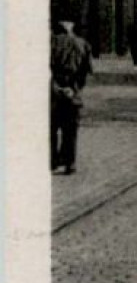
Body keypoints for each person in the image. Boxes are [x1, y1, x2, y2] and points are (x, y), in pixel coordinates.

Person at [50, 19, 93, 174]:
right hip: (73, 89)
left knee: (51, 127)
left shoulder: (50, 43)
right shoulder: (83, 44)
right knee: (71, 128)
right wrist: (75, 88)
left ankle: (52, 160)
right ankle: (70, 162)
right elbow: (86, 70)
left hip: (53, 88)